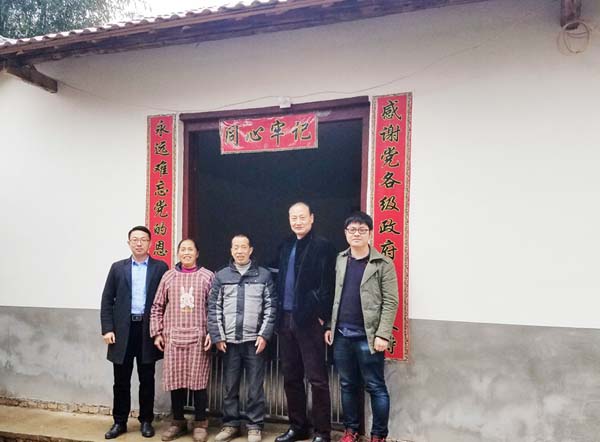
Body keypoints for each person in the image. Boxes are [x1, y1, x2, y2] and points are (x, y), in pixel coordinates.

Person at [324, 212, 399, 442]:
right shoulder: (340, 259)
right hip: (341, 334)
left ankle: (378, 435)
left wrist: (383, 334)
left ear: (370, 233)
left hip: (369, 336)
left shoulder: (382, 263)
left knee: (375, 386)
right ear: (346, 233)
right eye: (352, 230)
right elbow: (334, 295)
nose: (356, 234)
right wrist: (329, 325)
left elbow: (391, 301)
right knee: (347, 385)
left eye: (362, 230)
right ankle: (351, 430)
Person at [274, 202, 336, 442]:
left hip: (309, 320)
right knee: (291, 377)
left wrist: (320, 313)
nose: (297, 221)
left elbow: (328, 284)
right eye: (293, 217)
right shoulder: (286, 245)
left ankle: (322, 431)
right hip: (286, 318)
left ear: (312, 218)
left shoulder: (323, 246)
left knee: (317, 378)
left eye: (302, 217)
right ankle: (297, 426)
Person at [100, 226, 169, 439]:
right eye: (135, 239)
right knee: (121, 380)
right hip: (122, 331)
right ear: (129, 243)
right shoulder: (117, 268)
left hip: (148, 331)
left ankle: (146, 421)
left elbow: (166, 301)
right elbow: (107, 300)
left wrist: (161, 330)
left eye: (143, 239)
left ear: (150, 243)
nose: (139, 243)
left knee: (147, 378)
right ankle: (119, 421)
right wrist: (107, 329)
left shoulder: (160, 268)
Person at [208, 234, 277, 442]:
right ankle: (230, 424)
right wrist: (218, 336)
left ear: (250, 250)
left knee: (255, 387)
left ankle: (254, 425)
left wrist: (264, 335)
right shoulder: (221, 276)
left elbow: (271, 308)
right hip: (229, 341)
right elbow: (214, 308)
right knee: (230, 386)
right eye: (235, 247)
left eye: (243, 247)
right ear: (231, 250)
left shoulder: (263, 275)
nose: (239, 251)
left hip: (254, 341)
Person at [150, 239, 214, 442]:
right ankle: (178, 421)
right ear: (178, 253)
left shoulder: (207, 276)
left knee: (198, 382)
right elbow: (157, 306)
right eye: (183, 249)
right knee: (175, 381)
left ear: (197, 253)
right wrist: (157, 333)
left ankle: (200, 422)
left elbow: (214, 307)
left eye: (190, 249)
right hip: (173, 337)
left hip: (199, 338)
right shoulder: (168, 276)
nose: (186, 253)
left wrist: (212, 333)